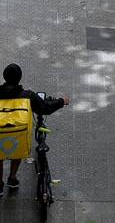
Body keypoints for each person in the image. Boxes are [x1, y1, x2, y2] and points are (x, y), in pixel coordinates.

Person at [0, 64, 68, 196]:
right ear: (19, 78)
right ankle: (12, 179)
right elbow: (45, 108)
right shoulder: (27, 95)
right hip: (18, 134)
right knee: (17, 151)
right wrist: (61, 101)